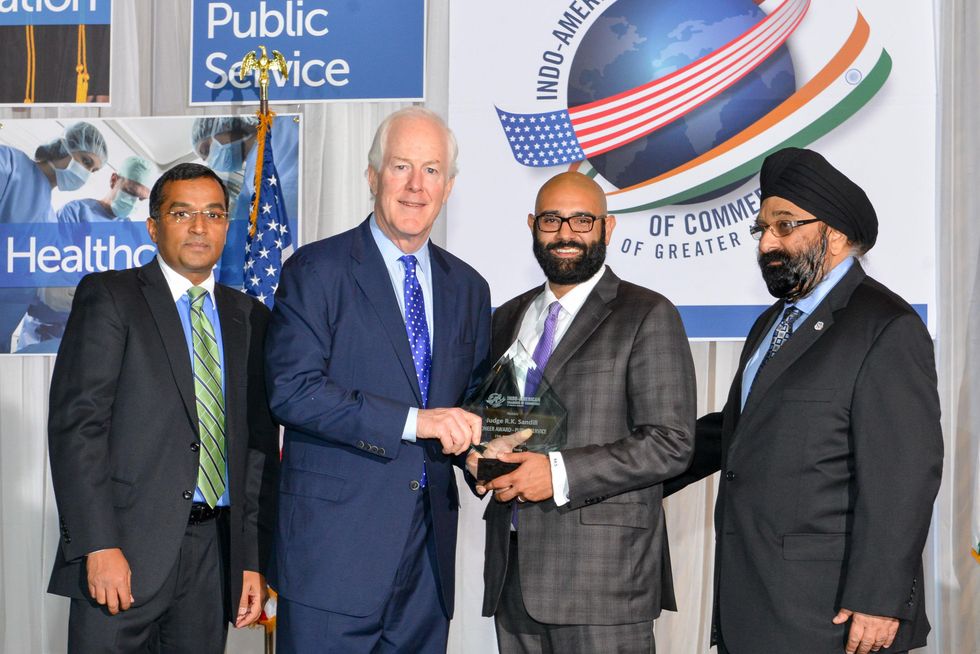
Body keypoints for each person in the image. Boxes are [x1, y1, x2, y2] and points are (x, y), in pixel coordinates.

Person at [665, 147, 943, 654]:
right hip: (754, 604)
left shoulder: (886, 327)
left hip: (831, 617)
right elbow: (738, 431)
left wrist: (879, 600)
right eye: (763, 229)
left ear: (834, 234)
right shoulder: (772, 323)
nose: (767, 242)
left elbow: (904, 477)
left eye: (785, 226)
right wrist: (624, 468)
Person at [265, 107, 491, 653]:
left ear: (450, 185)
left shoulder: (469, 288)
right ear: (372, 176)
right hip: (332, 560)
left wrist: (485, 452)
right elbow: (292, 391)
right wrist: (417, 423)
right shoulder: (314, 272)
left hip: (426, 570)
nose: (417, 186)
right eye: (401, 167)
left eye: (432, 171)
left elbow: (469, 404)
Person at [47, 163, 279, 653]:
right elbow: (78, 429)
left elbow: (257, 448)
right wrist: (97, 544)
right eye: (183, 213)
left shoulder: (250, 317)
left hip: (213, 557)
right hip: (122, 553)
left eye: (214, 214)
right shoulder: (111, 297)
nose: (200, 226)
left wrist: (251, 558)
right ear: (153, 226)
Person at [472, 171, 696, 653]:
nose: (567, 233)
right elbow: (494, 419)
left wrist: (556, 474)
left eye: (582, 220)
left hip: (604, 582)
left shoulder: (647, 314)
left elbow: (670, 443)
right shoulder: (507, 318)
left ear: (607, 229)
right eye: (552, 220)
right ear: (533, 225)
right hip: (513, 573)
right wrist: (479, 456)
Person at [0, 120, 107, 351]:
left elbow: (31, 299)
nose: (86, 173)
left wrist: (59, 296)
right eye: (86, 161)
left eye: (93, 170)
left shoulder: (49, 222)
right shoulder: (9, 166)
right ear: (64, 146)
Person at [190, 115, 298, 287]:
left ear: (223, 126)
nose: (206, 160)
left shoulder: (279, 133)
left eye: (205, 150)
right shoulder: (253, 170)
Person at [58, 155, 154, 222]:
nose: (134, 203)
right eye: (131, 191)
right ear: (114, 180)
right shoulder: (74, 213)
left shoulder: (131, 232)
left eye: (141, 198)